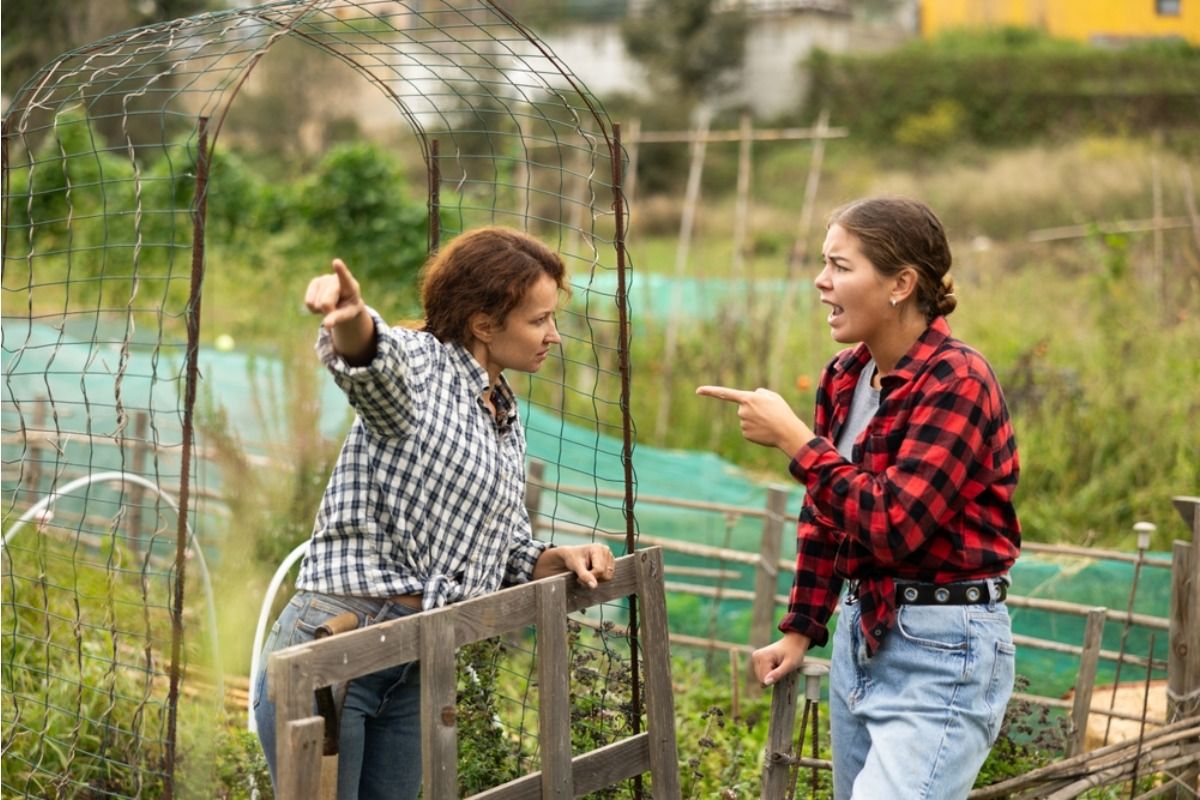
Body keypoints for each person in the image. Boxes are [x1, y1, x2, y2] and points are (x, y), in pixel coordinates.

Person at [253, 226, 616, 800]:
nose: (554, 335)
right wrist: (351, 316)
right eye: (538, 320)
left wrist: (557, 558)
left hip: (417, 659)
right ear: (483, 324)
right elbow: (371, 362)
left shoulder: (500, 409)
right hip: (339, 646)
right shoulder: (421, 368)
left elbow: (504, 554)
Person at [698, 197, 1020, 799]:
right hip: (862, 634)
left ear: (901, 283)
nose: (822, 282)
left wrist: (796, 441)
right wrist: (801, 628)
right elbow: (827, 517)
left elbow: (893, 522)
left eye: (841, 267)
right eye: (824, 264)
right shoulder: (844, 376)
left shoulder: (958, 380)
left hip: (944, 644)